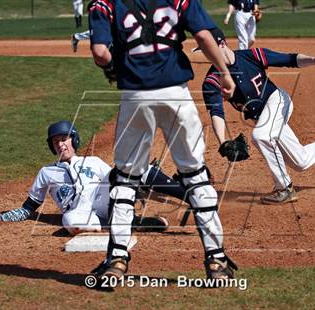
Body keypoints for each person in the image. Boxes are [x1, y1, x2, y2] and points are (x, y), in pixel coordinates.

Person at [88, 0, 237, 282]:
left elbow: (99, 53)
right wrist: (225, 73)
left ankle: (117, 259)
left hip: (136, 95)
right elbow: (204, 36)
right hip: (175, 92)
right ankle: (216, 261)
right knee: (194, 175)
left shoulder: (104, 3)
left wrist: (116, 67)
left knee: (126, 179)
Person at [0, 120, 189, 234]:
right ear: (52, 147)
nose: (61, 144)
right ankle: (136, 223)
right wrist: (0, 217)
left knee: (131, 166)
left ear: (75, 140)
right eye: (56, 141)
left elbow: (113, 180)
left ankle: (188, 194)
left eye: (65, 139)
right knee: (70, 222)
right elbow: (28, 209)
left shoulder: (91, 162)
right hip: (82, 213)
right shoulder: (46, 173)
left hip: (103, 198)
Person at [201, 28, 315, 204]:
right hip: (262, 119)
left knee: (261, 136)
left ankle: (284, 188)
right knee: (301, 162)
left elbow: (289, 59)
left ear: (222, 44)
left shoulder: (251, 56)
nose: (206, 54)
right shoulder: (212, 80)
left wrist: (313, 60)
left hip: (277, 101)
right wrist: (223, 141)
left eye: (208, 49)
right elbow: (216, 112)